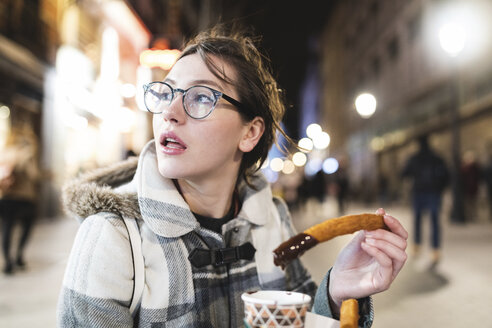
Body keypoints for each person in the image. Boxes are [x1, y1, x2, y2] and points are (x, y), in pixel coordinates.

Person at [57, 26, 408, 327]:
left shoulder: (273, 217)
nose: (170, 112)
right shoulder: (112, 234)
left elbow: (297, 318)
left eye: (199, 98)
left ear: (250, 133)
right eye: (166, 92)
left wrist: (334, 294)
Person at [402, 135, 449, 268]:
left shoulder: (414, 158)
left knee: (418, 220)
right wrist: (440, 189)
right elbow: (446, 176)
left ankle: (417, 246)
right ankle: (435, 250)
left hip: (419, 193)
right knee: (434, 221)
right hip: (433, 193)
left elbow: (404, 173)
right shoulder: (437, 158)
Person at [0, 126, 39, 274]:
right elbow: (33, 174)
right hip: (24, 198)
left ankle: (7, 262)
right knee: (27, 227)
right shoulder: (27, 154)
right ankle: (19, 256)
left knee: (7, 228)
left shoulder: (5, 153)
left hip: (6, 197)